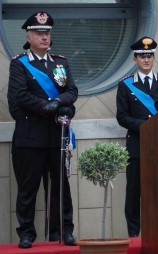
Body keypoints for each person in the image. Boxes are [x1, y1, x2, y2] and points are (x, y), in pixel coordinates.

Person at [7, 11, 78, 248]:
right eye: (39, 33)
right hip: (30, 137)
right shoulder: (19, 64)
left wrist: (58, 103)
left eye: (47, 32)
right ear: (29, 35)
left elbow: (72, 91)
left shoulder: (61, 62)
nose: (44, 37)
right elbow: (20, 97)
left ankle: (64, 231)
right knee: (28, 189)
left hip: (57, 135)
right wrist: (44, 106)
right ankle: (26, 232)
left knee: (61, 189)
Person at [116, 36, 158, 237]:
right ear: (135, 59)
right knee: (133, 193)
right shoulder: (126, 85)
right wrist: (147, 126)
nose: (146, 59)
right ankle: (134, 234)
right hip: (137, 146)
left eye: (149, 55)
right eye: (142, 56)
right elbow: (122, 117)